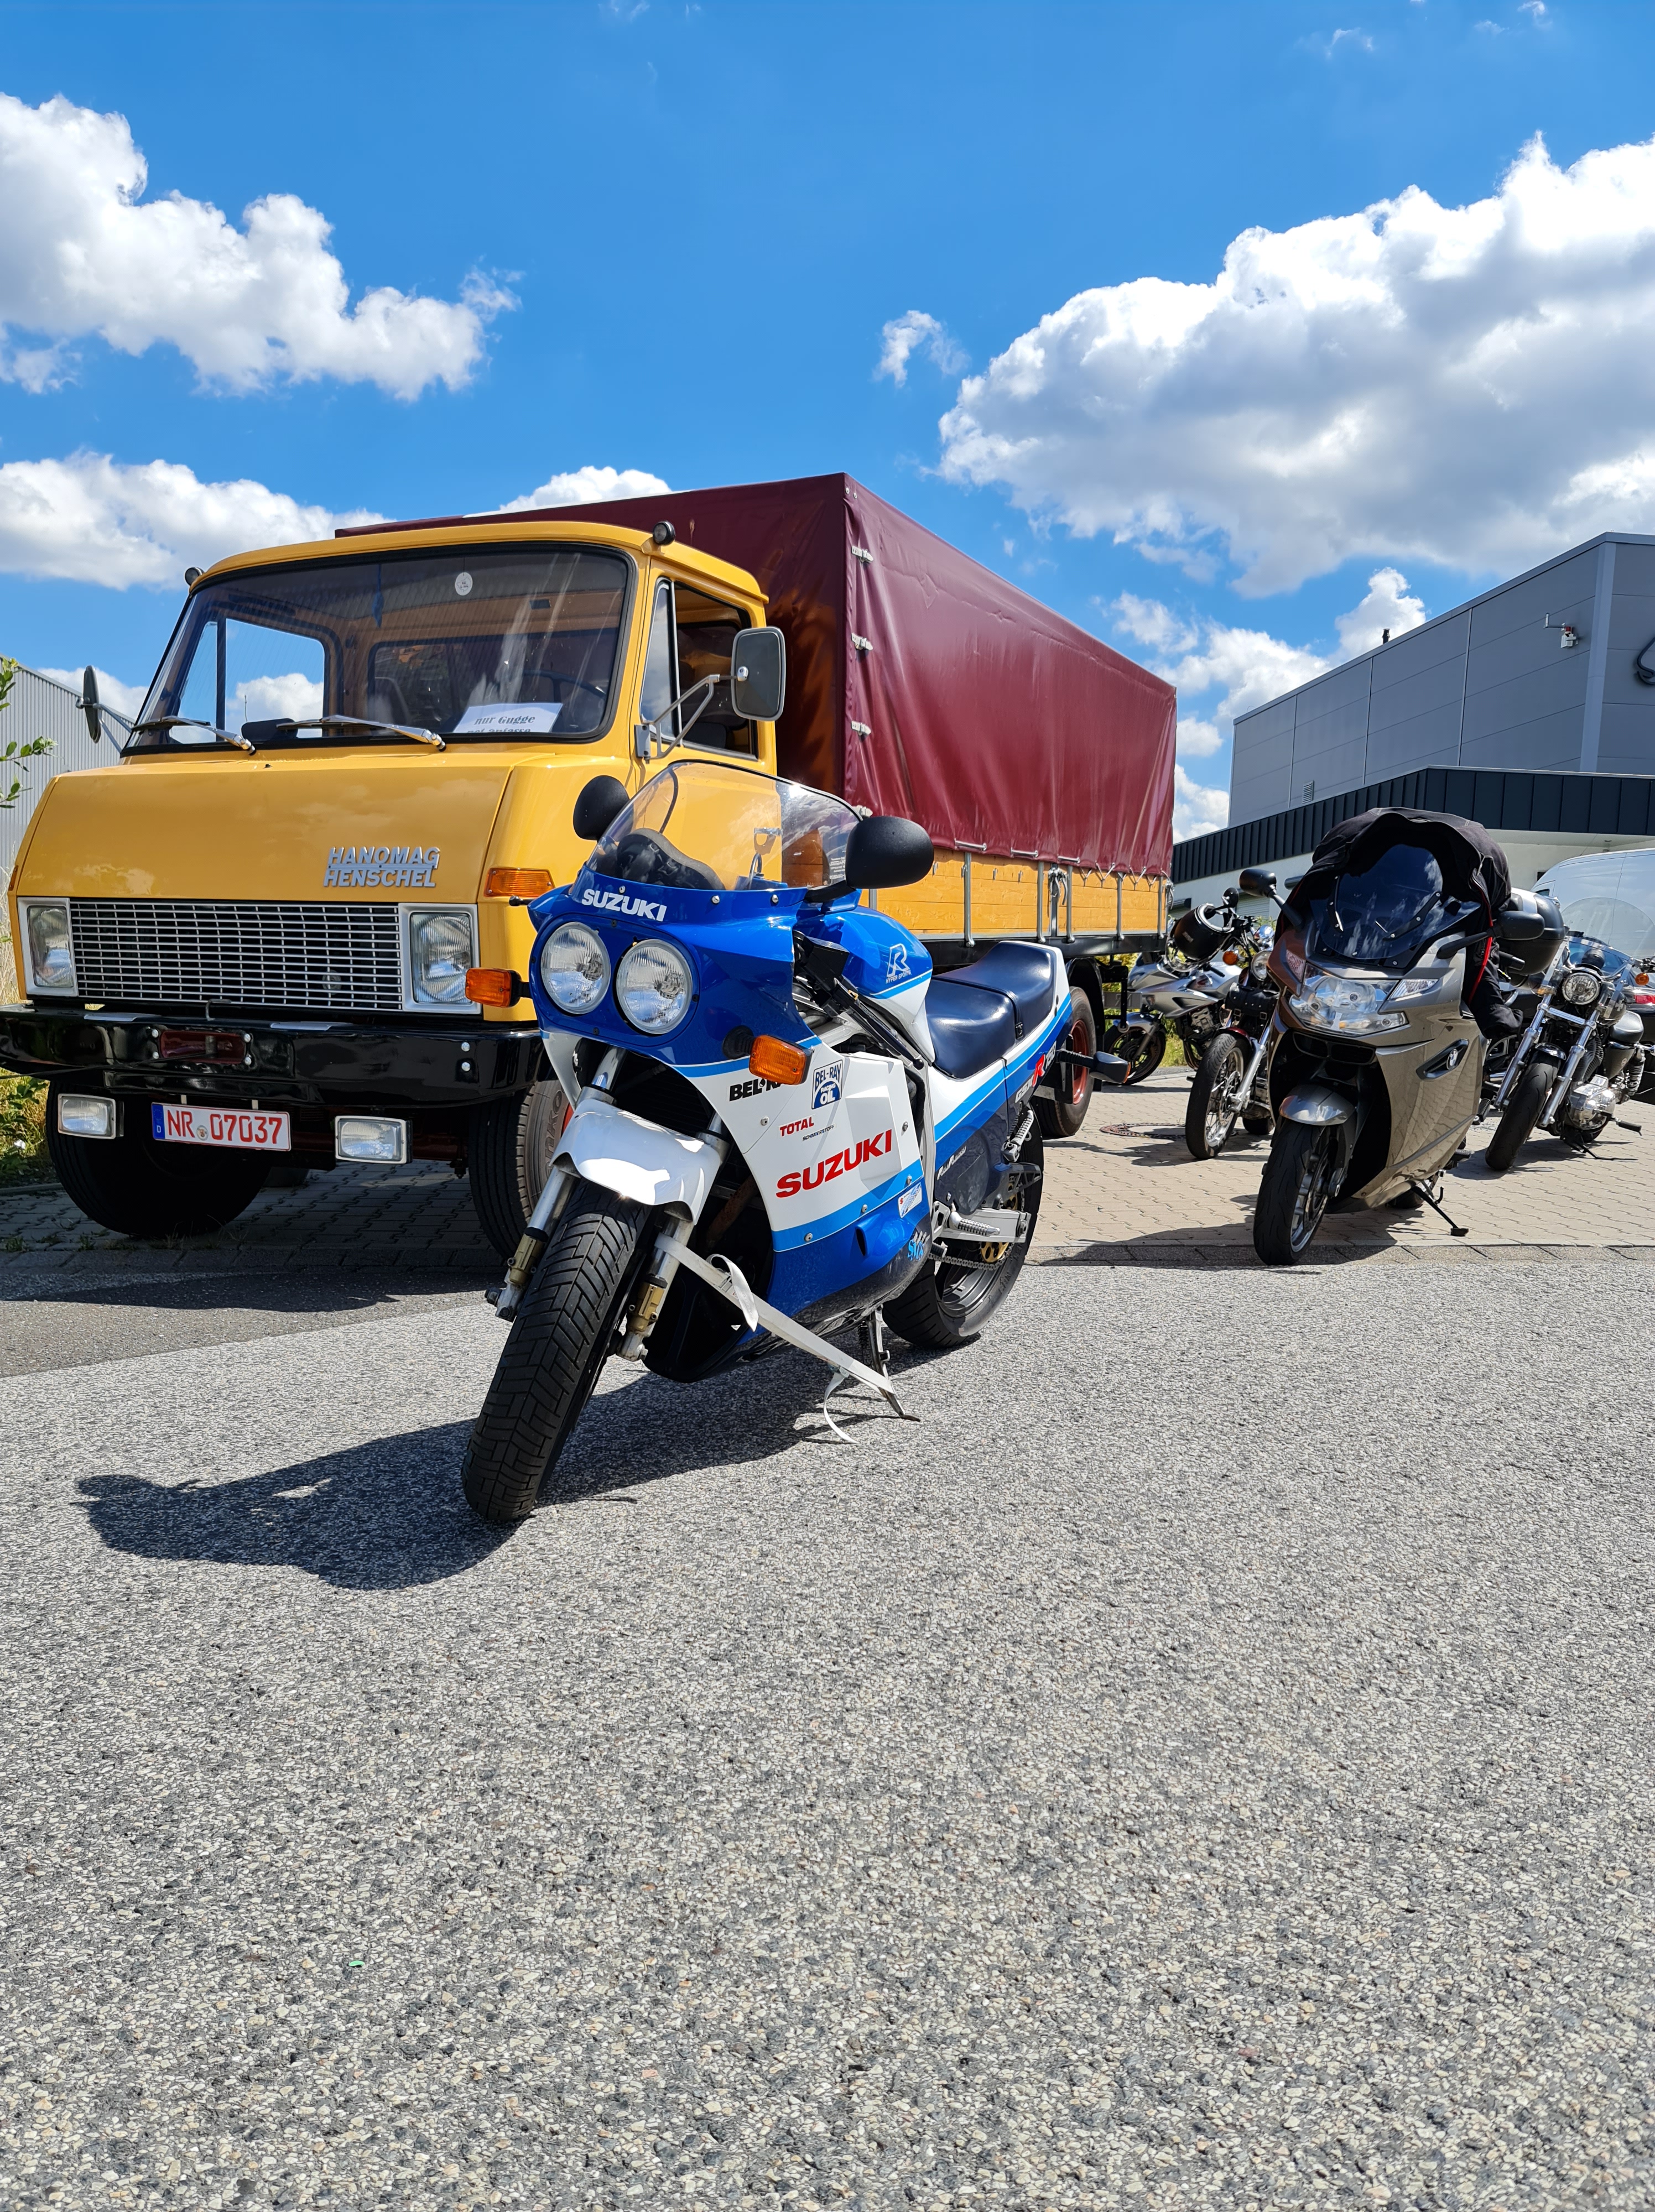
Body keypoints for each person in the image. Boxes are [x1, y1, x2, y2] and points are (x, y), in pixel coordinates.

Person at [1281, 806, 1522, 1039]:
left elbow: (1484, 939)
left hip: (1417, 965)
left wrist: (1491, 1010)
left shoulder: (1464, 893)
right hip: (1338, 956)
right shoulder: (1355, 887)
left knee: (1485, 1001)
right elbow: (1317, 889)